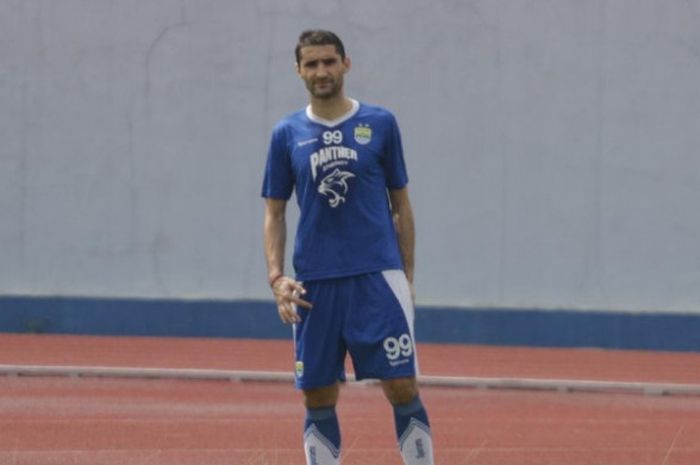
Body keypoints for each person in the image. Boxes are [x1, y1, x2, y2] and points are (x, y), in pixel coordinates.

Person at [262, 29, 434, 465]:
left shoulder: (380, 124)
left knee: (401, 386)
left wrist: (405, 277)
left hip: (376, 275)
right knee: (317, 394)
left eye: (329, 62)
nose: (322, 71)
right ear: (299, 71)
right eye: (312, 64)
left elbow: (402, 205)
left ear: (346, 64)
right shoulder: (286, 133)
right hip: (315, 284)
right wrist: (277, 277)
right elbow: (275, 213)